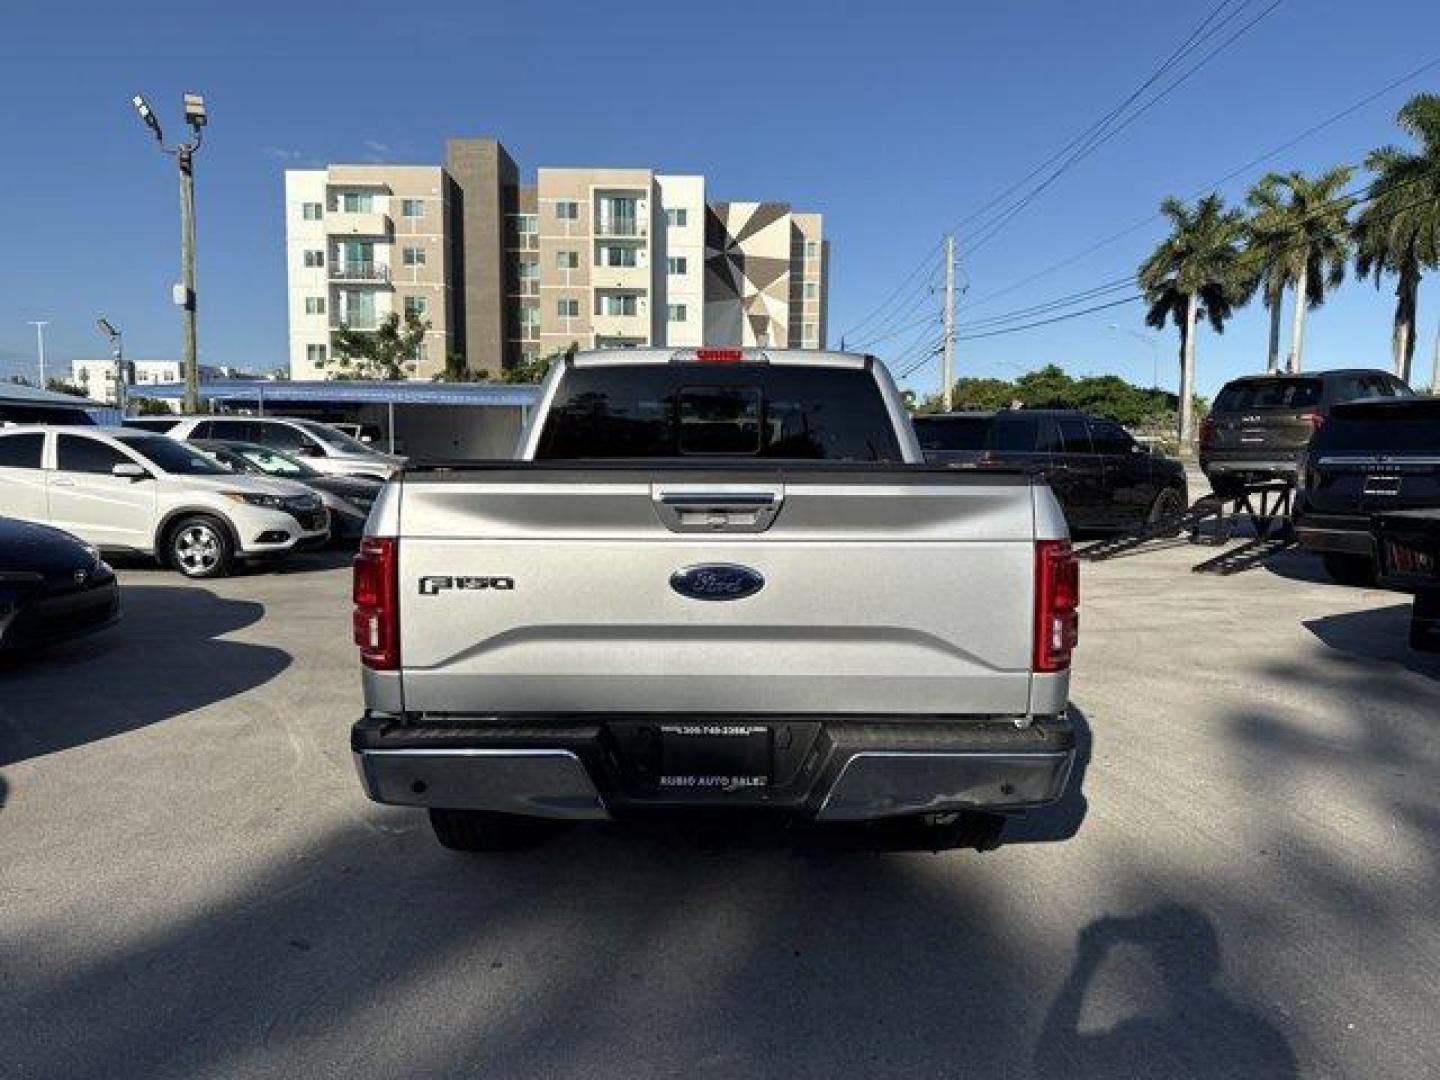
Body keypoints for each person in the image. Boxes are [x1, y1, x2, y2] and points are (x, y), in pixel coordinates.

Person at [1035, 905, 1296, 1078]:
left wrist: (1085, 966)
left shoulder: (1146, 1043)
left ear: (1160, 966)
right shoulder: (1264, 1040)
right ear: (1214, 961)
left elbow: (1051, 1059)